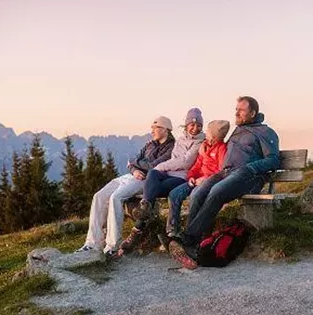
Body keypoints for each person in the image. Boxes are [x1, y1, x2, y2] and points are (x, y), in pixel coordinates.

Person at [169, 96, 280, 269]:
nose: (236, 112)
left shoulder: (265, 132)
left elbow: (273, 160)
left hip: (248, 176)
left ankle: (187, 238)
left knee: (217, 192)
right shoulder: (238, 130)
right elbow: (220, 148)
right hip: (226, 173)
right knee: (198, 193)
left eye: (241, 110)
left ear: (252, 112)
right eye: (236, 109)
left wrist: (250, 168)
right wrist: (207, 148)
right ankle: (195, 245)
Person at [75, 116, 175, 258]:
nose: (152, 131)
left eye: (156, 128)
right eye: (152, 128)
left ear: (166, 129)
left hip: (146, 180)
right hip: (132, 176)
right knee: (99, 196)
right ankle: (92, 243)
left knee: (116, 197)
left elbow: (153, 166)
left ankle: (112, 246)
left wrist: (135, 163)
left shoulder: (172, 147)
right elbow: (132, 162)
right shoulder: (149, 144)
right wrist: (134, 169)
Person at [119, 108, 205, 254]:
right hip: (168, 173)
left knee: (154, 176)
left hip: (181, 177)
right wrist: (156, 169)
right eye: (192, 124)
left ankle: (137, 230)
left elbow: (185, 162)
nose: (195, 128)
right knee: (152, 175)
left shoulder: (200, 142)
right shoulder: (181, 140)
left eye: (198, 126)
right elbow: (174, 159)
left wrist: (160, 167)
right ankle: (145, 208)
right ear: (186, 125)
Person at [166, 120, 230, 239]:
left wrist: (205, 179)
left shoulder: (221, 148)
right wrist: (191, 177)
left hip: (208, 182)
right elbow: (196, 166)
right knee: (174, 194)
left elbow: (221, 171)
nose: (206, 133)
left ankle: (191, 234)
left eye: (209, 131)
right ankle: (173, 231)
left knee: (195, 196)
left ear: (214, 135)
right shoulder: (204, 146)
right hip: (195, 181)